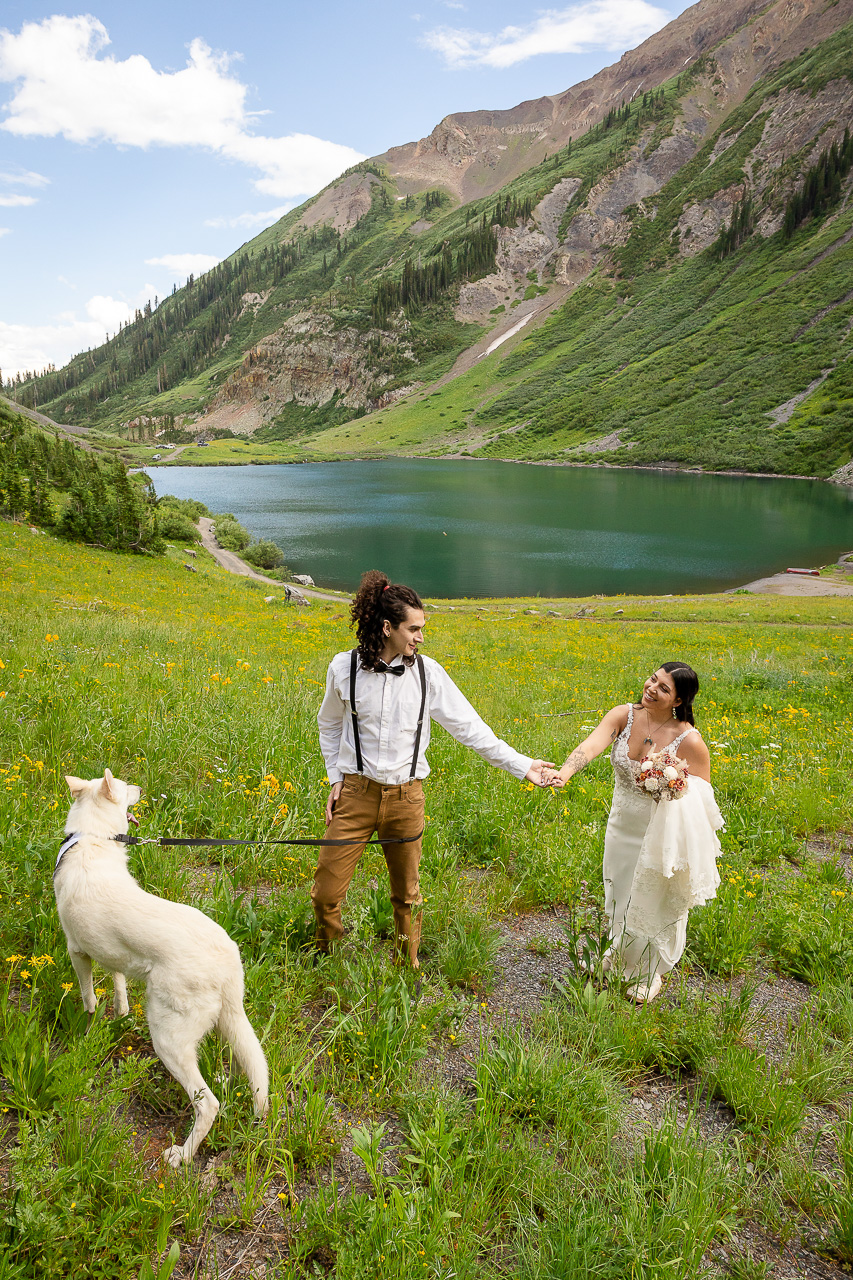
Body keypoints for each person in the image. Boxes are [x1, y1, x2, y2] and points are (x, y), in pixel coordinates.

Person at [313, 570, 553, 967]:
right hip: (356, 794)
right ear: (388, 627)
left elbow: (473, 730)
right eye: (415, 629)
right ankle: (327, 955)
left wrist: (523, 765)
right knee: (326, 891)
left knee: (407, 893)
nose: (421, 637)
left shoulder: (429, 674)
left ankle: (407, 964)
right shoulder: (344, 668)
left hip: (407, 797)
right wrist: (336, 778)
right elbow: (329, 723)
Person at [543, 663, 723, 1002]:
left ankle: (648, 971)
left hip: (660, 831)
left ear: (679, 700)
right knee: (619, 889)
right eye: (653, 679)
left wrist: (671, 785)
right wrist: (565, 772)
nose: (651, 688)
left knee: (651, 895)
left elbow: (703, 799)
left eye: (664, 688)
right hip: (622, 824)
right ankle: (615, 952)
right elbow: (592, 744)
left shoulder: (690, 740)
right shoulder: (624, 715)